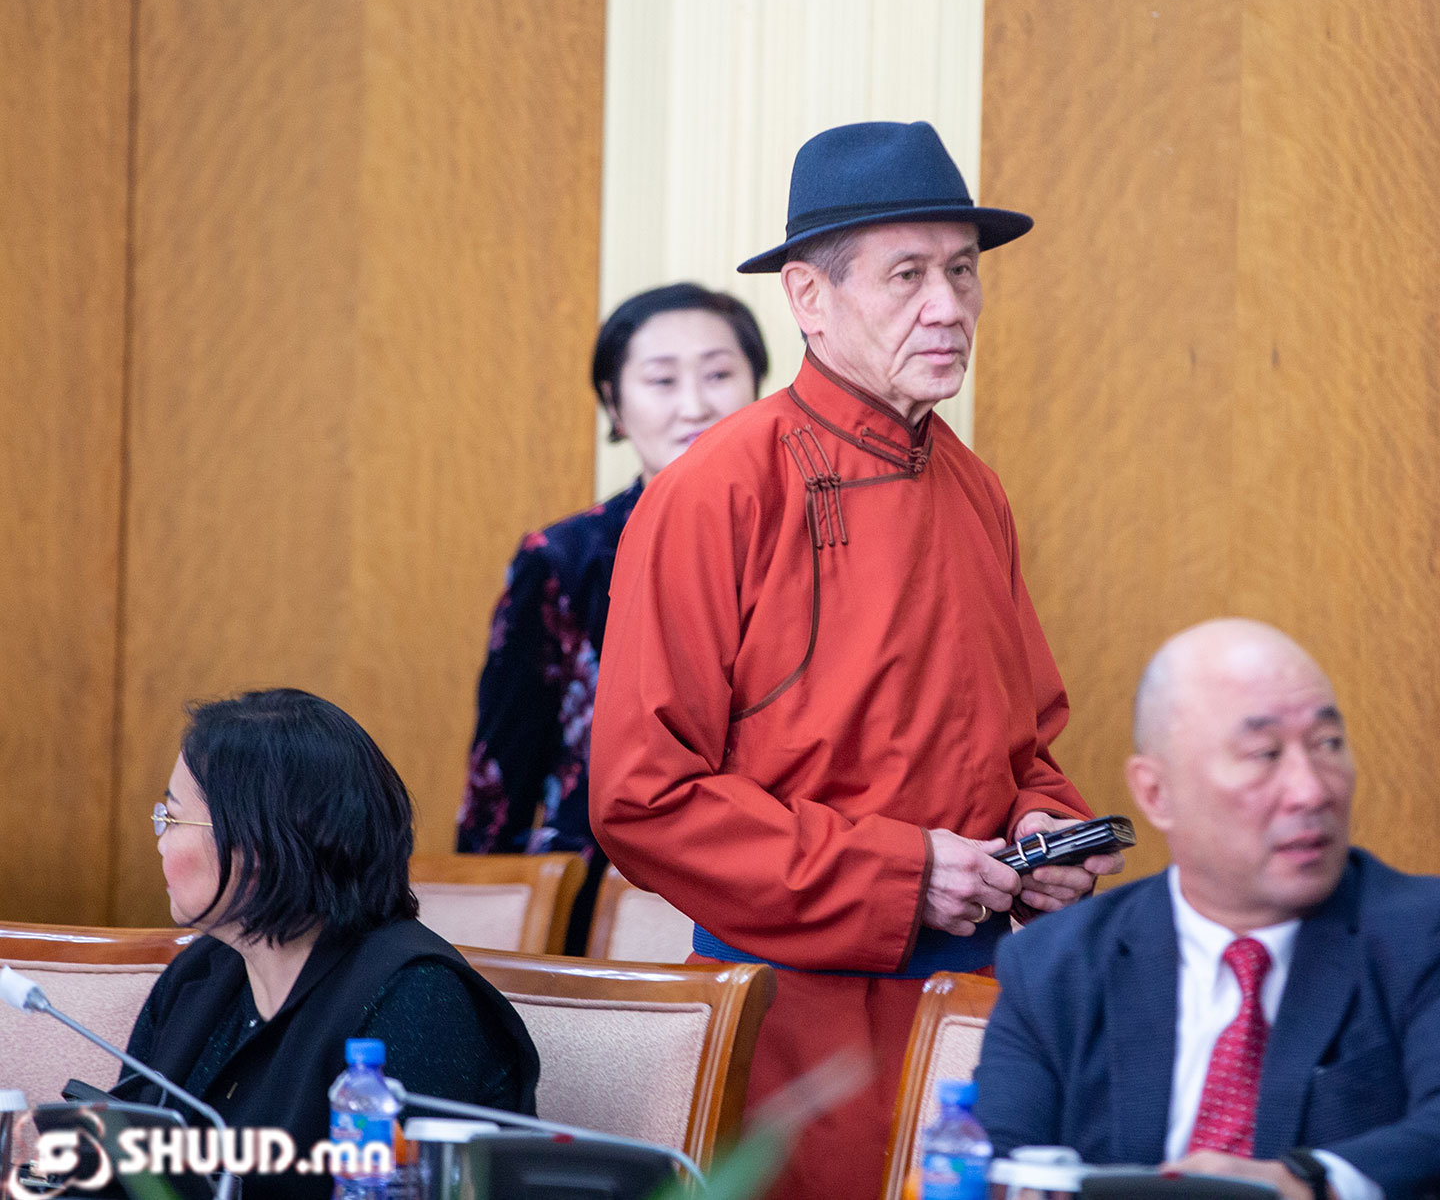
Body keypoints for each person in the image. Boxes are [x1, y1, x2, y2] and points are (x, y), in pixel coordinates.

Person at [590, 120, 1123, 1197]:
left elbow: (1024, 746)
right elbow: (643, 799)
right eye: (907, 274)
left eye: (962, 271)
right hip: (797, 1020)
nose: (949, 306)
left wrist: (1042, 827)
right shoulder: (716, 490)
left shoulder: (974, 488)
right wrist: (902, 873)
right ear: (808, 296)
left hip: (980, 1009)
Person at [974, 619, 1440, 1200]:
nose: (1312, 790)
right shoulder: (1054, 964)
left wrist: (1311, 1183)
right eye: (1264, 754)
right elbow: (996, 1162)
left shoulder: (1431, 931)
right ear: (1157, 792)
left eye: (1328, 744)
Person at [121, 688, 539, 1200]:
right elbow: (122, 1167)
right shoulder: (198, 976)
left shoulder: (419, 1000)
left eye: (171, 817)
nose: (160, 839)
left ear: (258, 843)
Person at [456, 283, 768, 953]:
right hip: (596, 892)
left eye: (719, 375)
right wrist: (480, 930)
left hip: (771, 885)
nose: (695, 404)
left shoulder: (804, 544)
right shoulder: (563, 558)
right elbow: (503, 766)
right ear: (614, 403)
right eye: (662, 380)